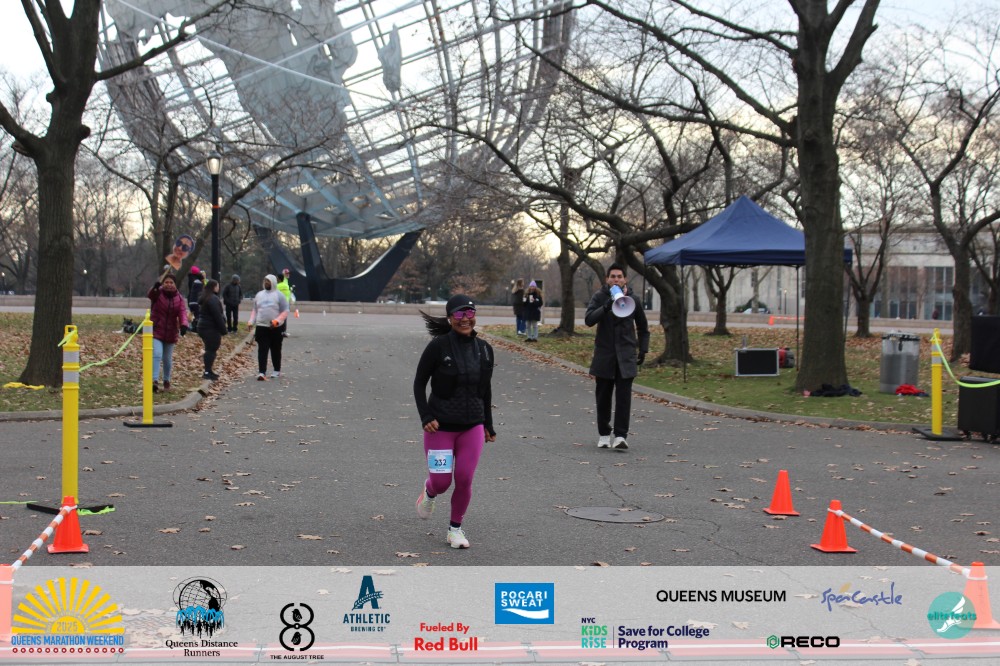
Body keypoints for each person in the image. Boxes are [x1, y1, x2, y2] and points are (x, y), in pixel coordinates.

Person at [413, 295, 496, 550]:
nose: (465, 318)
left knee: (464, 478)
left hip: (472, 426)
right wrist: (426, 416)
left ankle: (455, 529)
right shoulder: (438, 347)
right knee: (441, 483)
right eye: (459, 314)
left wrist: (488, 424)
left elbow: (485, 389)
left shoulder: (484, 349)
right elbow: (419, 383)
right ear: (450, 318)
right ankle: (429, 491)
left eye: (470, 313)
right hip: (440, 427)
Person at [584, 263, 650, 451]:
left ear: (625, 279)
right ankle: (604, 434)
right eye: (612, 276)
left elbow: (643, 327)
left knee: (623, 398)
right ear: (607, 279)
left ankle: (621, 436)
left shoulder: (633, 299)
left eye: (619, 276)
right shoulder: (599, 297)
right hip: (605, 355)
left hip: (626, 355)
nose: (616, 279)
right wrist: (605, 307)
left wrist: (643, 349)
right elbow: (589, 320)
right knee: (603, 398)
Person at [147, 272, 189, 392]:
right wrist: (155, 287)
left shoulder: (179, 299)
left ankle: (166, 381)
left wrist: (184, 324)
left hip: (171, 332)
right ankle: (154, 380)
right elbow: (150, 295)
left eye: (171, 282)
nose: (169, 284)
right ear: (163, 283)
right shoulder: (158, 293)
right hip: (157, 330)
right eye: (166, 282)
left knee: (167, 359)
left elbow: (182, 313)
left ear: (175, 284)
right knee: (157, 354)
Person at [247, 274, 288, 380]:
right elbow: (255, 310)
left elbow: (285, 311)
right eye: (265, 281)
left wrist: (277, 321)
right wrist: (251, 321)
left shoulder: (279, 295)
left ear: (273, 282)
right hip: (261, 326)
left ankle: (276, 370)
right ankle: (262, 372)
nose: (266, 283)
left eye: (268, 281)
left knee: (276, 349)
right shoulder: (259, 295)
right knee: (262, 349)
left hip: (275, 327)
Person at [197, 279, 227, 380]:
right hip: (210, 327)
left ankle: (209, 370)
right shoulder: (213, 299)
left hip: (203, 326)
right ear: (214, 287)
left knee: (209, 349)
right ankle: (207, 372)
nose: (218, 288)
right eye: (217, 286)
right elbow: (217, 315)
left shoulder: (206, 297)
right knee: (211, 349)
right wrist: (223, 329)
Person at [276, 268, 296, 337]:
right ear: (283, 274)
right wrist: (290, 290)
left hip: (282, 302)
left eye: (288, 273)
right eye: (286, 273)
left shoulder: (286, 280)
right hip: (284, 303)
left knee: (281, 317)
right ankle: (283, 331)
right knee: (283, 317)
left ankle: (281, 331)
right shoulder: (284, 281)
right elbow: (284, 291)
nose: (288, 274)